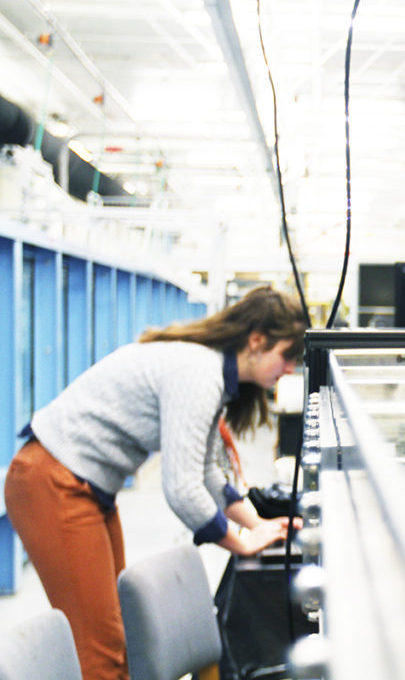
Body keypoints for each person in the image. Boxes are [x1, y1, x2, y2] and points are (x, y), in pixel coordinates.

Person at [4, 286, 307, 680]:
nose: (288, 369)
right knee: (101, 652)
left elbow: (207, 474)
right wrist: (237, 542)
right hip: (53, 482)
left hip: (84, 486)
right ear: (256, 341)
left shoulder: (210, 372)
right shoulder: (198, 373)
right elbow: (182, 488)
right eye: (287, 356)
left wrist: (257, 525)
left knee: (119, 638)